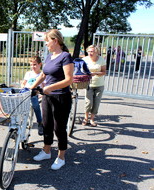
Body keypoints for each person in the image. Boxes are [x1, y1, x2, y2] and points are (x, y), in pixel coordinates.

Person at [29, 29, 74, 170]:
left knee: (59, 128)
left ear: (55, 41)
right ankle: (46, 151)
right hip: (48, 96)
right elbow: (42, 75)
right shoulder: (49, 56)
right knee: (47, 125)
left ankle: (61, 157)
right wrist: (31, 87)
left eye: (47, 41)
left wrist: (51, 87)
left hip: (61, 97)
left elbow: (69, 79)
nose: (46, 43)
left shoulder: (65, 56)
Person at [82, 45, 106, 127]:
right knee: (88, 102)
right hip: (89, 84)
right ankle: (85, 118)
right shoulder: (84, 60)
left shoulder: (101, 60)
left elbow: (104, 72)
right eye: (89, 51)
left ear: (97, 52)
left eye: (92, 51)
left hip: (99, 84)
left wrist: (95, 73)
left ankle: (92, 119)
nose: (90, 53)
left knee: (96, 103)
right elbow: (80, 71)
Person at [21, 56, 45, 135]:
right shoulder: (28, 73)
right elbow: (24, 83)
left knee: (35, 105)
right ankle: (18, 126)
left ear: (40, 64)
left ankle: (40, 123)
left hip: (36, 93)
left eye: (34, 64)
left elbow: (44, 86)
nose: (32, 67)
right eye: (31, 65)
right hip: (27, 93)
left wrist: (42, 94)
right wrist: (22, 87)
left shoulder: (41, 75)